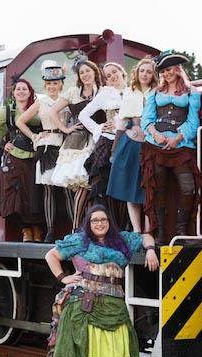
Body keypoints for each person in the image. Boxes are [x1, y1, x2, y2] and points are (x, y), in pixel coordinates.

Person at [45, 204, 159, 357]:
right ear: (88, 223)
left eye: (103, 220)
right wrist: (63, 277)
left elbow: (146, 236)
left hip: (115, 308)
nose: (99, 223)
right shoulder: (79, 240)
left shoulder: (122, 240)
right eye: (95, 220)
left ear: (109, 222)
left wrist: (151, 250)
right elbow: (51, 255)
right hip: (85, 308)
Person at [140, 51, 201, 244]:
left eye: (169, 69)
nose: (166, 74)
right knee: (158, 189)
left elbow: (193, 121)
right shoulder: (155, 93)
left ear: (177, 69)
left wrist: (178, 138)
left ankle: (181, 229)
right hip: (155, 145)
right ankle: (159, 233)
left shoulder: (191, 92)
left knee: (188, 188)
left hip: (180, 146)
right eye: (163, 71)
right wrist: (156, 135)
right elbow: (146, 119)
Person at [49, 57, 105, 230]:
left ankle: (84, 229)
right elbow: (52, 111)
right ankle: (77, 228)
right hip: (78, 143)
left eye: (88, 71)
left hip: (98, 140)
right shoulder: (73, 92)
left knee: (91, 186)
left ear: (95, 72)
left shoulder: (103, 91)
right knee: (82, 185)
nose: (85, 75)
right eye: (82, 73)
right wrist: (65, 129)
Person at [0, 79, 44, 242]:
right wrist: (3, 144)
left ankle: (38, 228)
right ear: (13, 92)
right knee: (18, 197)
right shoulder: (8, 111)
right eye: (18, 89)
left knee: (36, 193)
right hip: (16, 157)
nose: (21, 91)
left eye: (24, 89)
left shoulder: (39, 107)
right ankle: (26, 230)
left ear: (30, 92)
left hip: (38, 155)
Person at [16, 61, 69, 242]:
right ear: (45, 86)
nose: (52, 87)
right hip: (46, 146)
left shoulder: (66, 100)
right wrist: (33, 136)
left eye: (55, 83)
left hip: (65, 145)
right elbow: (20, 121)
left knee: (68, 188)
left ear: (61, 84)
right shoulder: (41, 102)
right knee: (49, 191)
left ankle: (74, 229)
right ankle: (50, 230)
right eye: (49, 84)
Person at [107, 58, 158, 232]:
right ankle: (137, 230)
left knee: (148, 188)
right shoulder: (130, 91)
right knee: (130, 187)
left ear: (153, 75)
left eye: (149, 71)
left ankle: (148, 230)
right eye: (142, 70)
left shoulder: (157, 92)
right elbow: (122, 121)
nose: (144, 74)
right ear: (137, 72)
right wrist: (114, 147)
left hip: (151, 144)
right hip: (130, 143)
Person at [79, 62, 129, 229]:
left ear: (122, 72)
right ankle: (102, 228)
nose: (112, 76)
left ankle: (123, 227)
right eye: (108, 75)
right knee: (101, 183)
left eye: (114, 72)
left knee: (123, 184)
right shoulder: (105, 94)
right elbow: (83, 115)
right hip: (107, 141)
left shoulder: (133, 91)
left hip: (128, 141)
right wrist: (99, 128)